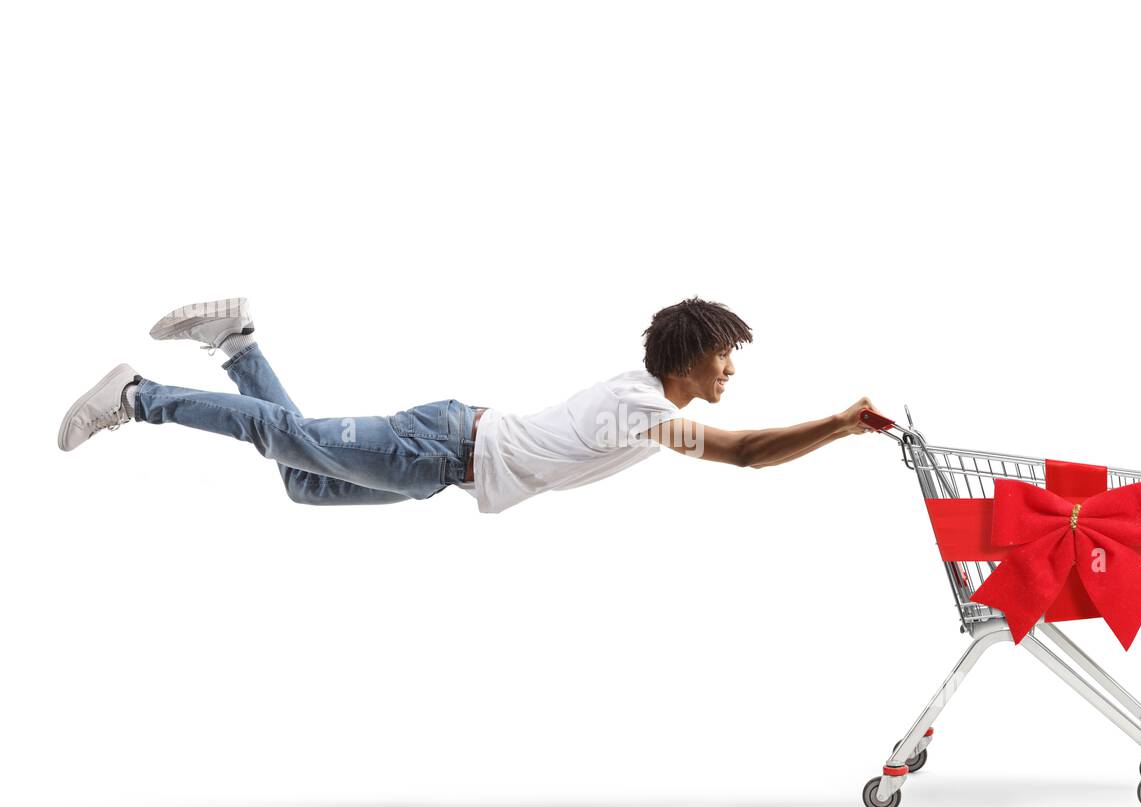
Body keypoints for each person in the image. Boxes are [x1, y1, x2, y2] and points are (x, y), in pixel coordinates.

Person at [57, 296, 883, 513]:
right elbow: (740, 453)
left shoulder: (641, 403)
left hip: (442, 471)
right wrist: (841, 424)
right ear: (687, 353)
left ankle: (238, 342)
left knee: (302, 478)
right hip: (439, 445)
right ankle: (138, 396)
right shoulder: (639, 405)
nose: (731, 366)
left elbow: (734, 447)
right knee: (290, 436)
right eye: (723, 351)